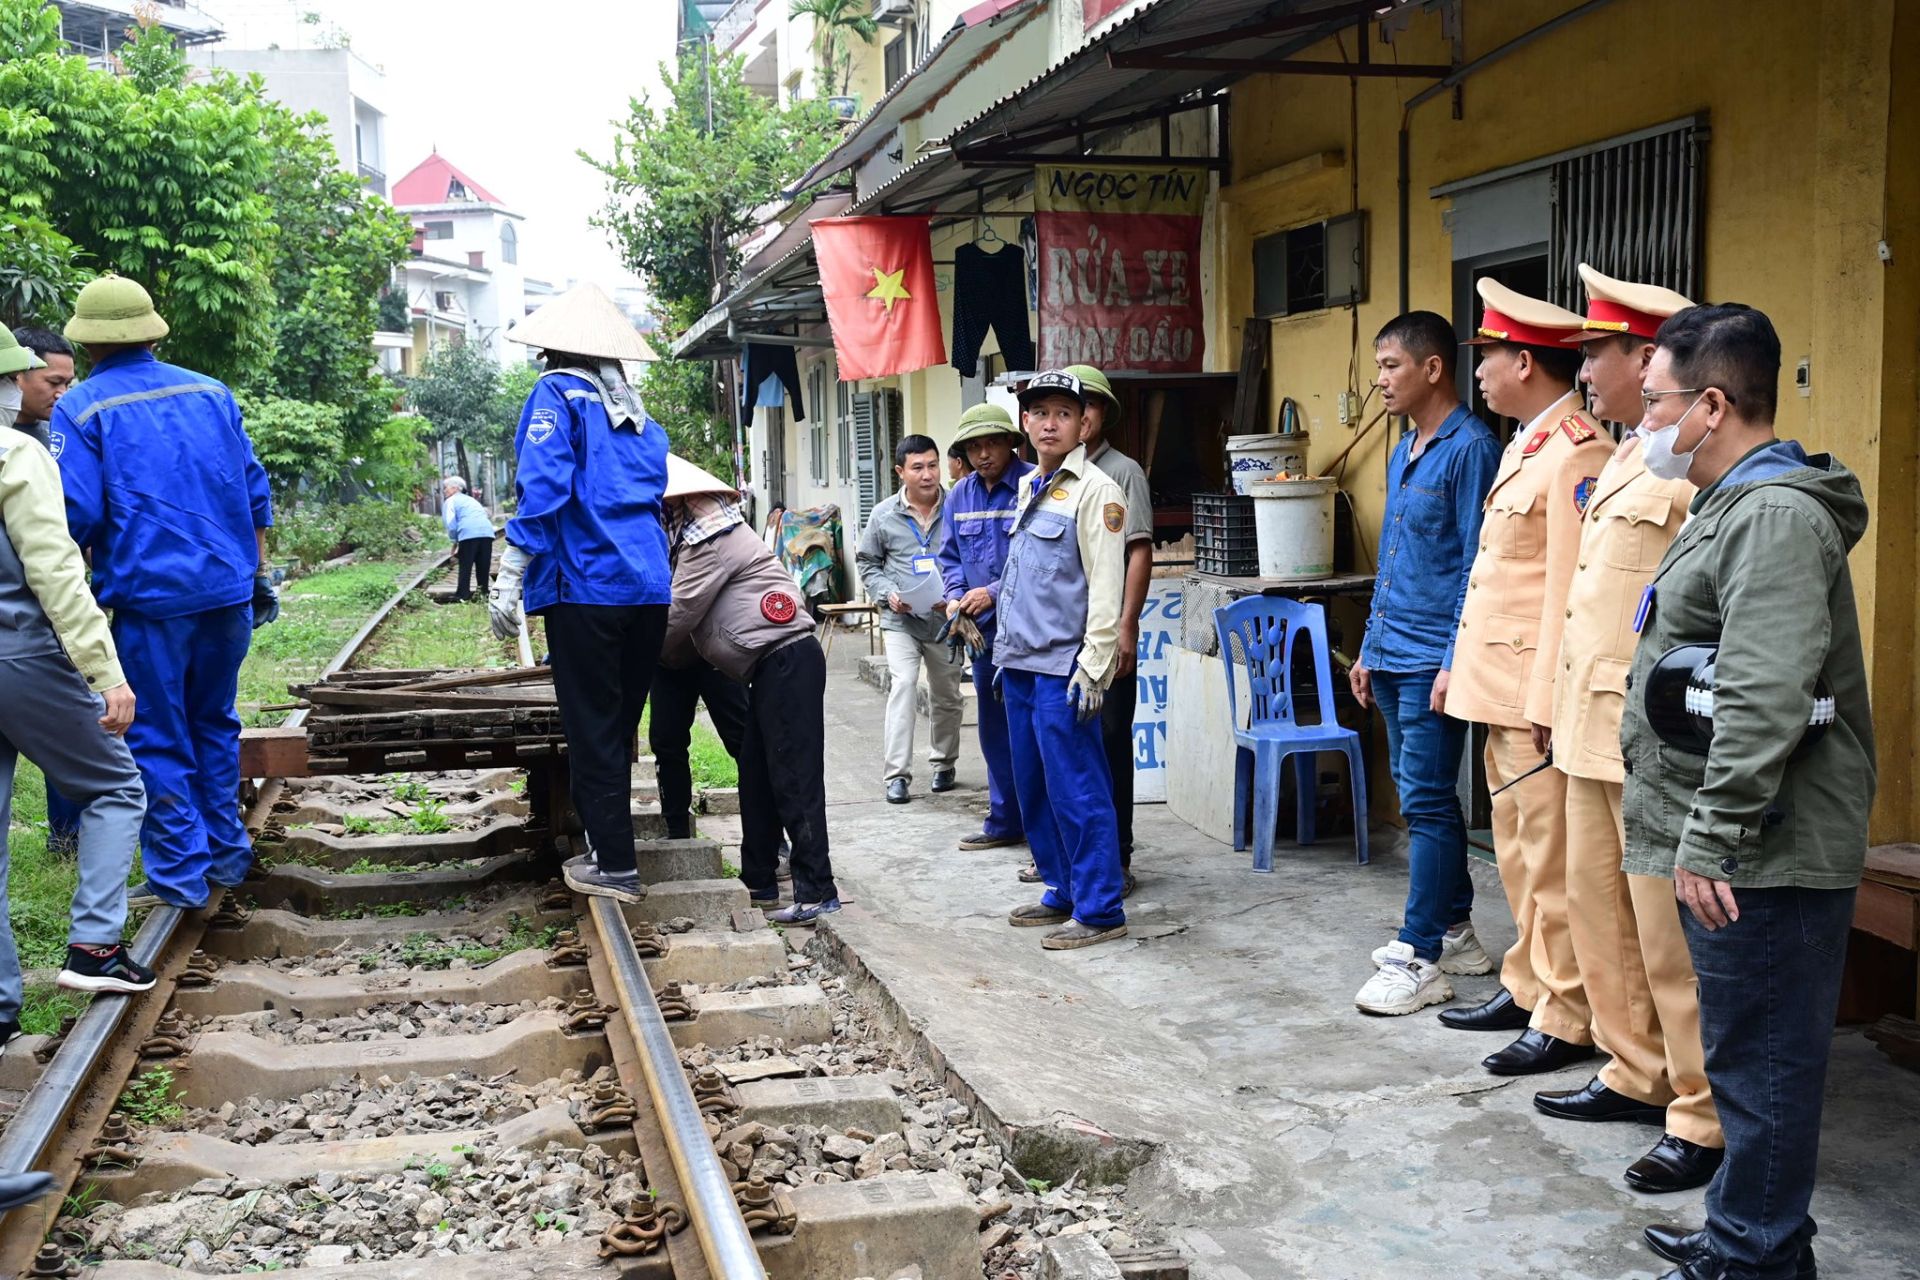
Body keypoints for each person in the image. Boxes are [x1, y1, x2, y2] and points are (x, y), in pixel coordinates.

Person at [1622, 304, 1872, 1280]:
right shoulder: (1733, 502)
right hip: (1743, 833)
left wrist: (1713, 832)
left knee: (1763, 1064)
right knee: (1744, 1055)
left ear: (1712, 402)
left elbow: (1765, 691)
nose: (1642, 422)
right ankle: (1747, 1234)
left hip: (1762, 841)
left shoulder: (1770, 513)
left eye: (1654, 402)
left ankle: (1759, 1258)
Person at [1532, 266, 1723, 1195]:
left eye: (1598, 354)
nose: (1587, 373)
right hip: (1587, 723)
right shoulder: (1623, 453)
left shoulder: (1691, 466)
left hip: (1647, 732)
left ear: (1647, 357)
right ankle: (1633, 1068)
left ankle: (1699, 1112)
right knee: (1598, 912)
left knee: (1667, 935)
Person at [50, 277, 276, 912]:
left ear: (88, 343)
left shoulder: (83, 407)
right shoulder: (211, 392)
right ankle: (227, 856)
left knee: (157, 736)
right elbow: (255, 489)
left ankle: (180, 877)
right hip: (227, 595)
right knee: (214, 722)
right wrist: (251, 571)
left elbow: (77, 514)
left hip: (152, 604)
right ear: (152, 332)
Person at [1439, 278, 1613, 1075]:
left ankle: (1567, 1011)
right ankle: (1530, 981)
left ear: (1527, 364)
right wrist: (1458, 670)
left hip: (1530, 694)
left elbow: (1569, 592)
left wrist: (1546, 698)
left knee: (1549, 862)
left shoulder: (1579, 450)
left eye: (1490, 356)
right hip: (1497, 687)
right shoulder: (1526, 443)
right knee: (1514, 853)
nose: (1478, 371)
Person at [487, 283, 671, 905]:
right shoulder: (642, 418)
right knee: (618, 725)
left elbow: (543, 486)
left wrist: (512, 565)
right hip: (647, 588)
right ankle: (607, 844)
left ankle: (615, 865)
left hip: (587, 586)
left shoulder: (554, 396)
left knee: (591, 727)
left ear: (552, 350)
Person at [1348, 312, 1502, 1017]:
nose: (1380, 379)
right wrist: (1370, 650)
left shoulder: (1472, 449)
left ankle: (1419, 955)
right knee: (1422, 798)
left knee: (1428, 804)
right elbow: (1401, 558)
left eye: (1390, 366)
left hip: (1434, 659)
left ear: (1432, 369)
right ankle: (1459, 931)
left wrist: (1453, 661)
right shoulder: (1407, 447)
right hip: (1392, 654)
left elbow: (1477, 564)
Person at [1, 328, 153, 1038]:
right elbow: (55, 569)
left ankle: (2, 1010)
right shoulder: (16, 453)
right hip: (20, 654)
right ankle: (96, 944)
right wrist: (105, 672)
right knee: (116, 786)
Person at [658, 455, 839, 924]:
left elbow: (678, 618)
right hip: (772, 665)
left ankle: (817, 889)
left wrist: (629, 653)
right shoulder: (712, 540)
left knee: (794, 779)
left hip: (786, 660)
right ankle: (758, 881)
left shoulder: (711, 544)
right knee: (757, 778)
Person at [998, 370, 1128, 950]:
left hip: (1064, 669)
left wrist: (1094, 666)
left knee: (1078, 788)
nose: (1049, 422)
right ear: (1025, 422)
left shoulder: (1098, 491)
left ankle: (1100, 909)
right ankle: (1063, 888)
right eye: (1038, 412)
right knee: (1033, 787)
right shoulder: (1031, 487)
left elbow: (1106, 587)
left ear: (1084, 424)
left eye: (1063, 413)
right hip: (1020, 663)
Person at [1065, 365, 1150, 897]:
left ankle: (1117, 855)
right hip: (1062, 636)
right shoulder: (1052, 475)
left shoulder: (1122, 472)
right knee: (1068, 744)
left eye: (1087, 407)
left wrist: (1126, 626)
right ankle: (1070, 854)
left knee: (1111, 739)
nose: (1080, 417)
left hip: (1105, 631)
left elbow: (1137, 549)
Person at [935, 403, 1034, 854]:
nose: (983, 454)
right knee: (992, 728)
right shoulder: (959, 495)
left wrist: (992, 591)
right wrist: (956, 598)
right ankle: (1003, 819)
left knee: (1029, 728)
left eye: (992, 442)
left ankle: (1039, 829)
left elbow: (1033, 558)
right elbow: (949, 556)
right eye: (974, 446)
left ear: (1011, 442)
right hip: (980, 633)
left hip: (1029, 626)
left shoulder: (1033, 485)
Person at [857, 434, 964, 805]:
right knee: (903, 685)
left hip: (946, 621)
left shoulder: (956, 505)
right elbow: (867, 562)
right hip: (900, 620)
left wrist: (955, 598)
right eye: (917, 467)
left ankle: (943, 764)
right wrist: (888, 593)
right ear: (901, 472)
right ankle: (897, 775)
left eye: (933, 465)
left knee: (947, 695)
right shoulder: (883, 514)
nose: (927, 474)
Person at [12, 326, 83, 855]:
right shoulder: (19, 447)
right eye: (51, 381)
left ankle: (67, 833)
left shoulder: (52, 436)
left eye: (68, 382)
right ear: (17, 374)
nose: (61, 392)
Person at [440, 476, 494, 602]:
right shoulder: (471, 500)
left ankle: (462, 595)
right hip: (487, 532)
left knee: (465, 565)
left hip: (468, 533)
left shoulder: (451, 501)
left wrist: (454, 541)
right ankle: (483, 593)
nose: (444, 491)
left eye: (446, 488)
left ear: (454, 488)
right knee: (483, 565)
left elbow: (450, 523)